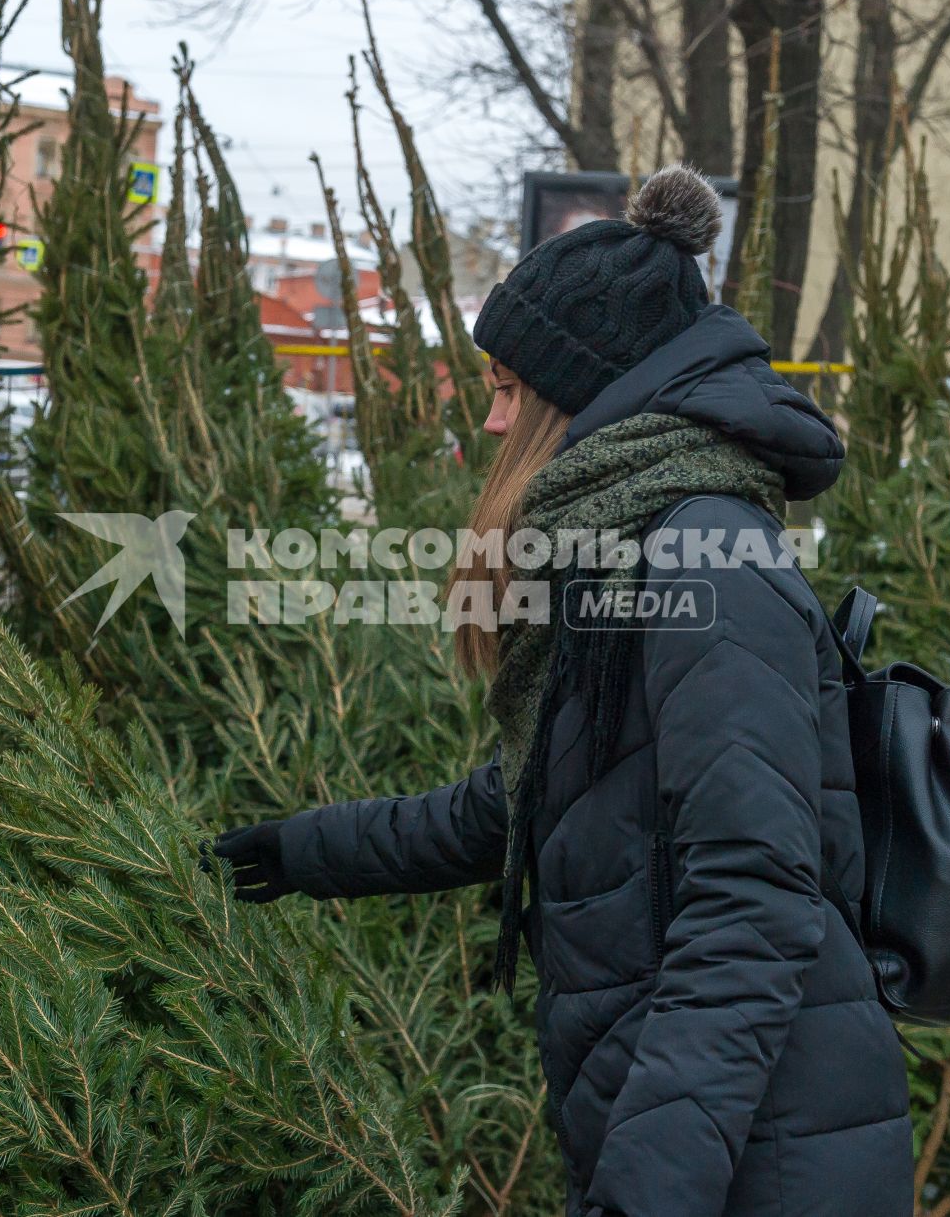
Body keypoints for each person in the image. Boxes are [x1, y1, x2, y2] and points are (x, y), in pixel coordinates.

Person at [206, 165, 912, 1217]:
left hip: (760, 1159)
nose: (492, 424)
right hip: (695, 1132)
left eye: (504, 389)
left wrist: (647, 1189)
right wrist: (309, 847)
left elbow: (753, 901)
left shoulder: (702, 554)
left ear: (575, 390)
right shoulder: (633, 541)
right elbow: (544, 792)